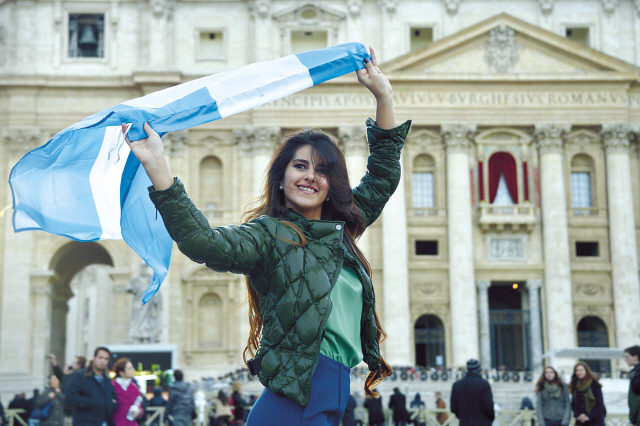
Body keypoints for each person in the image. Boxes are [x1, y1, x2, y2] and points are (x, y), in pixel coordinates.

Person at [123, 46, 408, 426]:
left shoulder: (341, 231)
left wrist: (384, 96)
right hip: (299, 390)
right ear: (282, 177)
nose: (310, 176)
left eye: (321, 170)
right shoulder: (269, 235)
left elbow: (383, 175)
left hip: (335, 388)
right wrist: (157, 165)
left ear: (331, 183)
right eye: (300, 166)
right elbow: (203, 243)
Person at [66, 346, 117, 426]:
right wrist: (91, 402)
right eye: (100, 358)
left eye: (106, 359)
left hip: (104, 422)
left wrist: (112, 405)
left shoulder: (106, 378)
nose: (103, 361)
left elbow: (113, 396)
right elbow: (70, 397)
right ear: (94, 358)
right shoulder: (80, 375)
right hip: (85, 421)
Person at [450, 359, 495, 426]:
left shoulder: (456, 385)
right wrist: (490, 419)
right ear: (479, 370)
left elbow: (453, 408)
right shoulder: (484, 384)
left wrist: (463, 418)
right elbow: (489, 406)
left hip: (464, 423)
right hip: (483, 423)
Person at [569, 362, 606, 426]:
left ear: (586, 371)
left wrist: (588, 417)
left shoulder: (594, 384)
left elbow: (599, 403)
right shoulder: (575, 385)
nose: (579, 372)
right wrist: (579, 415)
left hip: (595, 420)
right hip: (581, 421)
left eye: (581, 370)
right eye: (577, 370)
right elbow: (573, 403)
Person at [111, 358, 144, 426]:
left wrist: (139, 411)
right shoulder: (113, 386)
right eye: (129, 368)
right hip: (116, 423)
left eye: (132, 368)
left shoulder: (134, 387)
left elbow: (140, 406)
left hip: (132, 423)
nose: (133, 370)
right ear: (121, 372)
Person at [625, 345, 640, 425]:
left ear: (635, 357)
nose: (625, 359)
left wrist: (632, 419)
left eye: (627, 357)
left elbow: (635, 400)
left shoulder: (636, 374)